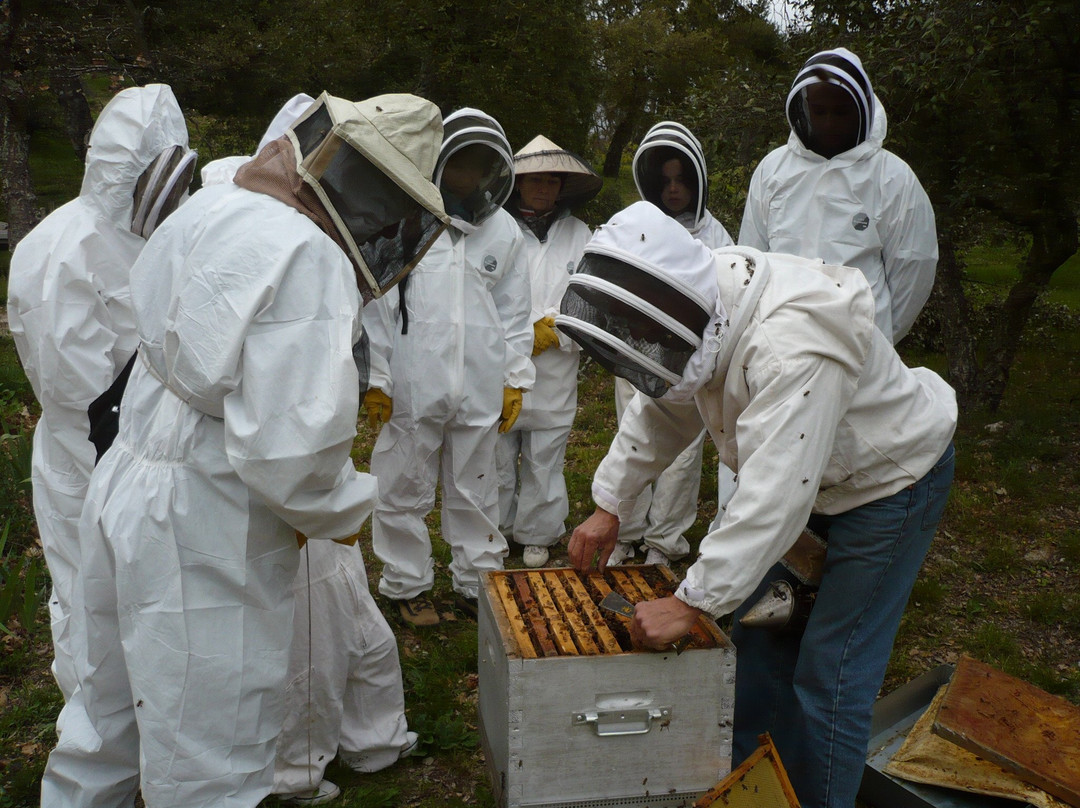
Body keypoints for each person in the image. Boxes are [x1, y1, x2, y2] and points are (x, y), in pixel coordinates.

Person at [40, 91, 448, 808]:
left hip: (128, 468)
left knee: (103, 718)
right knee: (211, 756)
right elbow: (292, 457)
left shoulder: (217, 202)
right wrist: (346, 505)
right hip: (206, 509)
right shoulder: (308, 253)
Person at [563, 202, 956, 808]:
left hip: (886, 487)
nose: (644, 343)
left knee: (831, 674)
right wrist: (612, 500)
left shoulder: (791, 343)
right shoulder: (703, 302)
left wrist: (692, 600)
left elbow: (774, 495)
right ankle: (753, 789)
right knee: (763, 637)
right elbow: (668, 397)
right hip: (810, 482)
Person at [6, 84, 194, 708]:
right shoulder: (63, 249)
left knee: (152, 597)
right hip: (86, 460)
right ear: (124, 172)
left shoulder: (144, 238)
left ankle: (146, 719)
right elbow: (75, 393)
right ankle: (92, 731)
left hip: (142, 455)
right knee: (91, 602)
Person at [364, 108, 533, 626]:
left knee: (479, 486)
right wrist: (377, 377)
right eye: (463, 164)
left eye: (483, 166)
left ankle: (476, 581)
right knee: (401, 484)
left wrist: (514, 378)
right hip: (416, 382)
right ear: (441, 164)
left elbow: (515, 313)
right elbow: (379, 302)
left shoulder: (503, 230)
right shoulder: (407, 219)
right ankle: (407, 584)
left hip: (480, 383)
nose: (471, 176)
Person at [739, 47, 938, 346]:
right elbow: (749, 261)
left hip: (860, 355)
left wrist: (878, 340)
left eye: (841, 112)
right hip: (776, 345)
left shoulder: (893, 177)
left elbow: (914, 267)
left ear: (861, 108)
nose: (829, 122)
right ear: (805, 106)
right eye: (819, 111)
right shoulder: (773, 170)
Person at [607, 121, 736, 567]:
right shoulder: (638, 225)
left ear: (698, 182)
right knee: (634, 436)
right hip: (639, 351)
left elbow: (729, 299)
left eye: (683, 180)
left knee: (681, 452)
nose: (674, 189)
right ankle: (623, 532)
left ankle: (665, 542)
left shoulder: (717, 236)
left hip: (694, 360)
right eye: (665, 181)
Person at [494, 135, 601, 568]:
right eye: (535, 179)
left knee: (544, 457)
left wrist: (555, 328)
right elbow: (483, 295)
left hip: (556, 368)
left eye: (552, 180)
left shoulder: (581, 235)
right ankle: (495, 529)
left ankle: (537, 532)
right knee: (497, 455)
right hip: (499, 366)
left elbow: (592, 295)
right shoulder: (496, 229)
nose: (543, 188)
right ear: (518, 182)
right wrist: (517, 335)